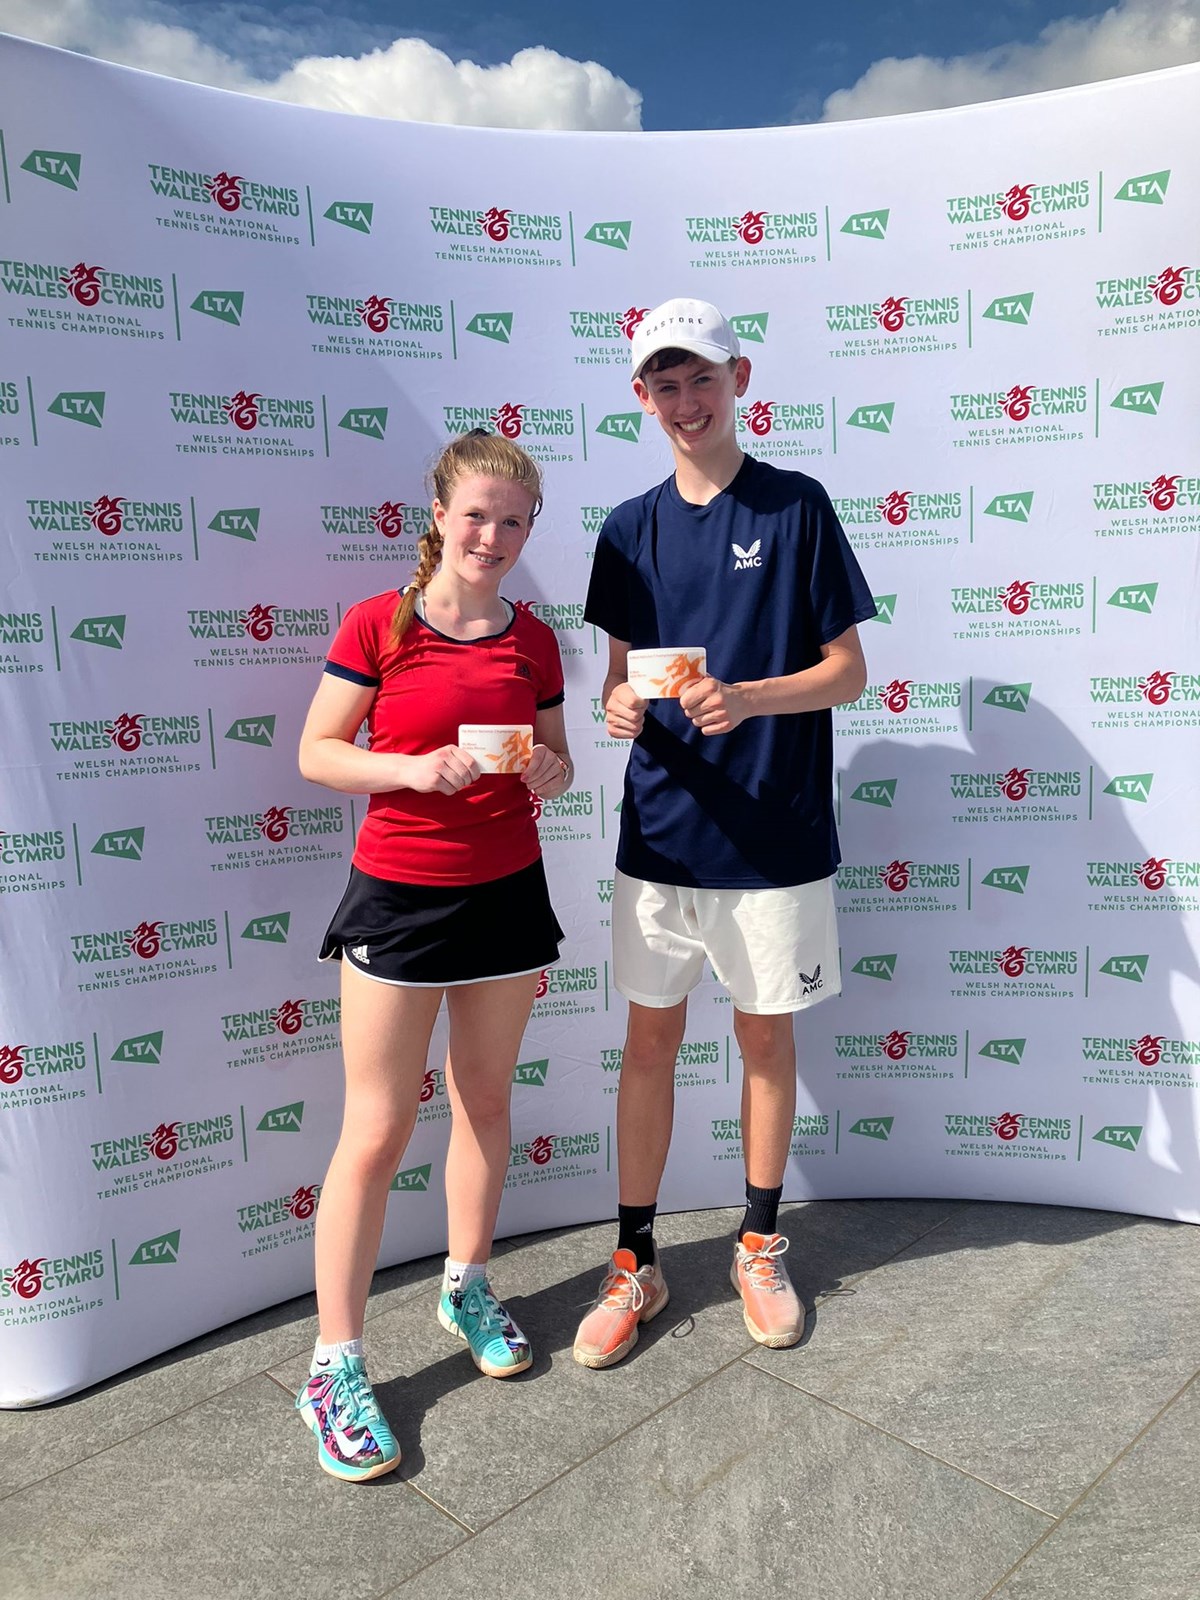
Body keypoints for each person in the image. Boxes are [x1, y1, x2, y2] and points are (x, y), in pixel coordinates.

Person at [573, 298, 874, 1369]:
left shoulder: (797, 506)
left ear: (739, 378)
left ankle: (756, 1240)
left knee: (763, 1040)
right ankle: (635, 1259)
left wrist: (747, 699)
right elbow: (617, 688)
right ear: (641, 396)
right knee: (648, 1042)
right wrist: (612, 711)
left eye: (702, 377)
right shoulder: (625, 526)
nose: (686, 400)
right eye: (665, 382)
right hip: (658, 838)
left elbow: (849, 670)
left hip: (776, 838)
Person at [295, 430, 573, 1480]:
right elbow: (318, 750)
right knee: (377, 1126)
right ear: (440, 513)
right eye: (477, 515)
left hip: (507, 895)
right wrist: (411, 772)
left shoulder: (534, 639)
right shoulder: (380, 623)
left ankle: (466, 1281)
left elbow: (556, 756)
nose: (493, 536)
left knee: (486, 1105)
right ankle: (335, 1364)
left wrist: (548, 770)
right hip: (399, 899)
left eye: (513, 521)